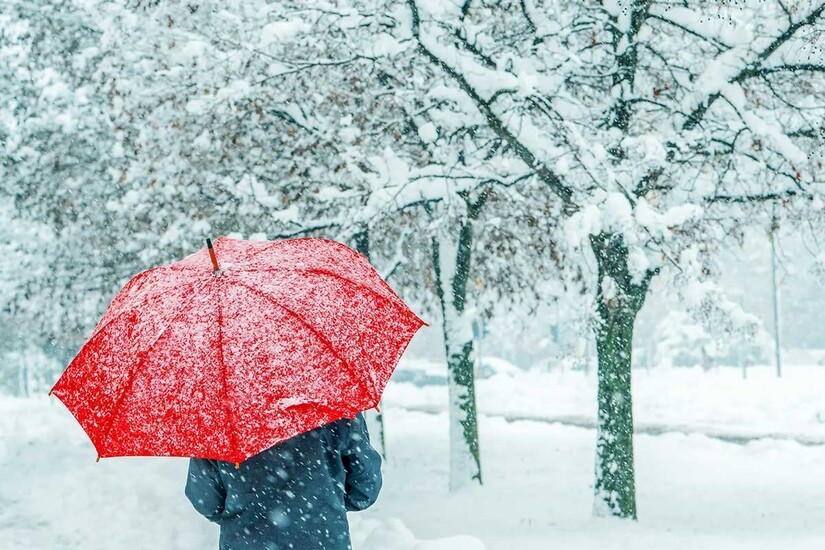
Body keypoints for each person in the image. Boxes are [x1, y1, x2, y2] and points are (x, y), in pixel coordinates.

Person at [185, 413, 382, 550]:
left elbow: (206, 501)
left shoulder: (216, 419)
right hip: (323, 540)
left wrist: (248, 514)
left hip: (246, 542)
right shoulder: (337, 405)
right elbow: (365, 489)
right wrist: (324, 503)